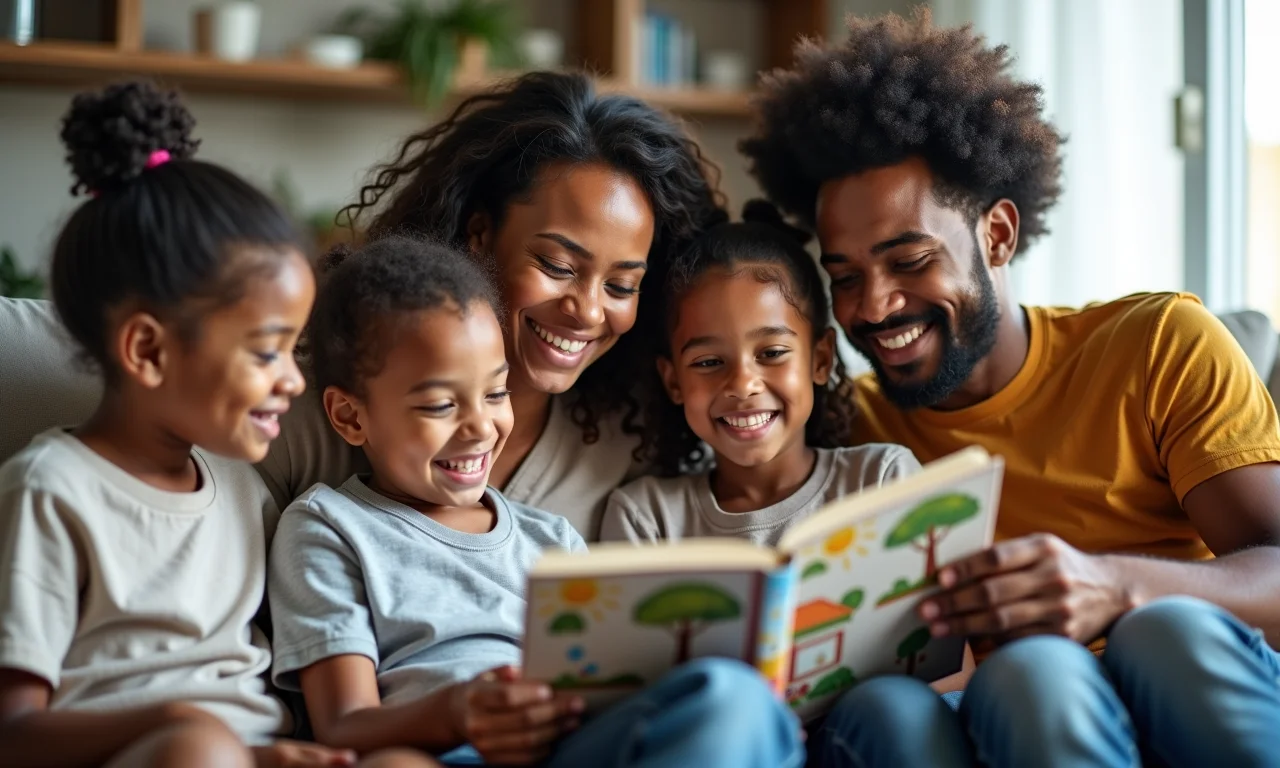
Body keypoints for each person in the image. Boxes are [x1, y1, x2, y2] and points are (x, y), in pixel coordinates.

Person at [740, 10, 1280, 768]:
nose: (874, 305)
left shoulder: (1156, 344)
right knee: (995, 682)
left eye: (910, 259)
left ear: (996, 235)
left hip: (1181, 687)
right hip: (1012, 721)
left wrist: (1113, 584)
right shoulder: (843, 434)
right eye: (845, 276)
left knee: (1166, 628)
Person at [266, 236, 804, 768]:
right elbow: (343, 723)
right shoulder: (328, 529)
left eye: (496, 393)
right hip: (441, 751)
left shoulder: (551, 539)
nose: (481, 426)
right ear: (350, 417)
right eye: (439, 404)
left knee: (729, 696)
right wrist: (457, 714)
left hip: (568, 748)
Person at [0, 82, 355, 767]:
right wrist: (184, 722)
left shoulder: (243, 487)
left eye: (294, 347)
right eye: (265, 351)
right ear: (149, 351)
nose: (295, 378)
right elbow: (12, 735)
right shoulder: (50, 493)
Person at [256, 71, 724, 539]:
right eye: (557, 265)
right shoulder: (304, 408)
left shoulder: (632, 439)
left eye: (622, 286)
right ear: (479, 235)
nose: (588, 311)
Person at [600, 200, 920, 547]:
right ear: (673, 380)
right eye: (708, 362)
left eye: (772, 353)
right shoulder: (647, 519)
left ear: (820, 360)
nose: (742, 385)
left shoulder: (882, 481)